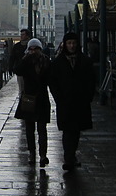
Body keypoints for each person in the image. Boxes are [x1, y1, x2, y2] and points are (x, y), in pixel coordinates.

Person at [51, 32, 95, 171]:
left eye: (74, 43)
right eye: (69, 43)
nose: (71, 46)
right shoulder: (58, 63)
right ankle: (69, 157)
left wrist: (88, 97)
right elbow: (53, 83)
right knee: (67, 131)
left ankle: (71, 156)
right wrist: (58, 98)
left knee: (75, 131)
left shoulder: (85, 61)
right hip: (65, 101)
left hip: (80, 101)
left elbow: (91, 81)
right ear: (65, 44)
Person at [13, 38, 54, 167]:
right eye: (31, 49)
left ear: (40, 49)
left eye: (35, 48)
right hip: (29, 98)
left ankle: (43, 155)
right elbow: (17, 70)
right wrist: (25, 58)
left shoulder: (46, 61)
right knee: (29, 129)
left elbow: (51, 78)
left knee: (42, 128)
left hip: (41, 97)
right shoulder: (26, 61)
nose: (33, 51)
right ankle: (31, 153)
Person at [9, 28, 32, 94]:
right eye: (21, 34)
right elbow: (12, 57)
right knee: (21, 88)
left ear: (27, 36)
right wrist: (10, 68)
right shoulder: (17, 46)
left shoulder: (31, 46)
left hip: (30, 70)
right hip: (20, 70)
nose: (21, 36)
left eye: (23, 35)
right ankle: (22, 101)